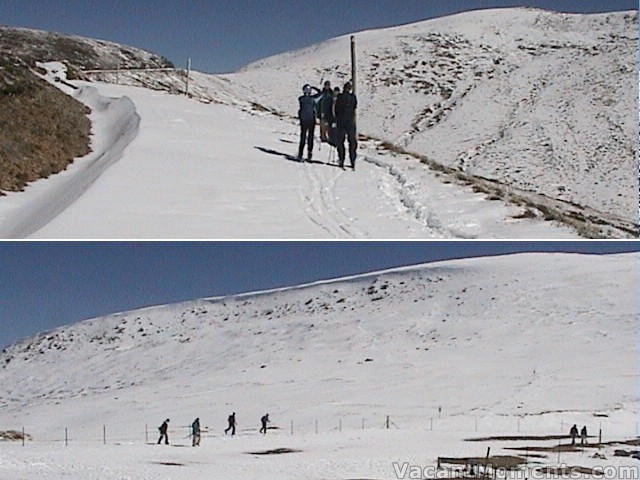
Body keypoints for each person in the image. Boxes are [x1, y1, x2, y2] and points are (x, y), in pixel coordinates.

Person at [334, 81, 358, 170]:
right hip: (350, 122)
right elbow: (354, 107)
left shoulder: (339, 97)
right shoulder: (353, 98)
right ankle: (352, 160)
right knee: (352, 142)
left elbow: (336, 110)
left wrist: (336, 119)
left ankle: (341, 159)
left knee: (340, 142)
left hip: (341, 122)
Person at [298, 84, 322, 161]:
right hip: (311, 119)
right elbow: (320, 93)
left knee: (303, 136)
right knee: (310, 137)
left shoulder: (301, 99)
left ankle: (300, 153)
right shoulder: (313, 99)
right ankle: (309, 153)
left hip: (303, 119)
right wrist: (314, 87)